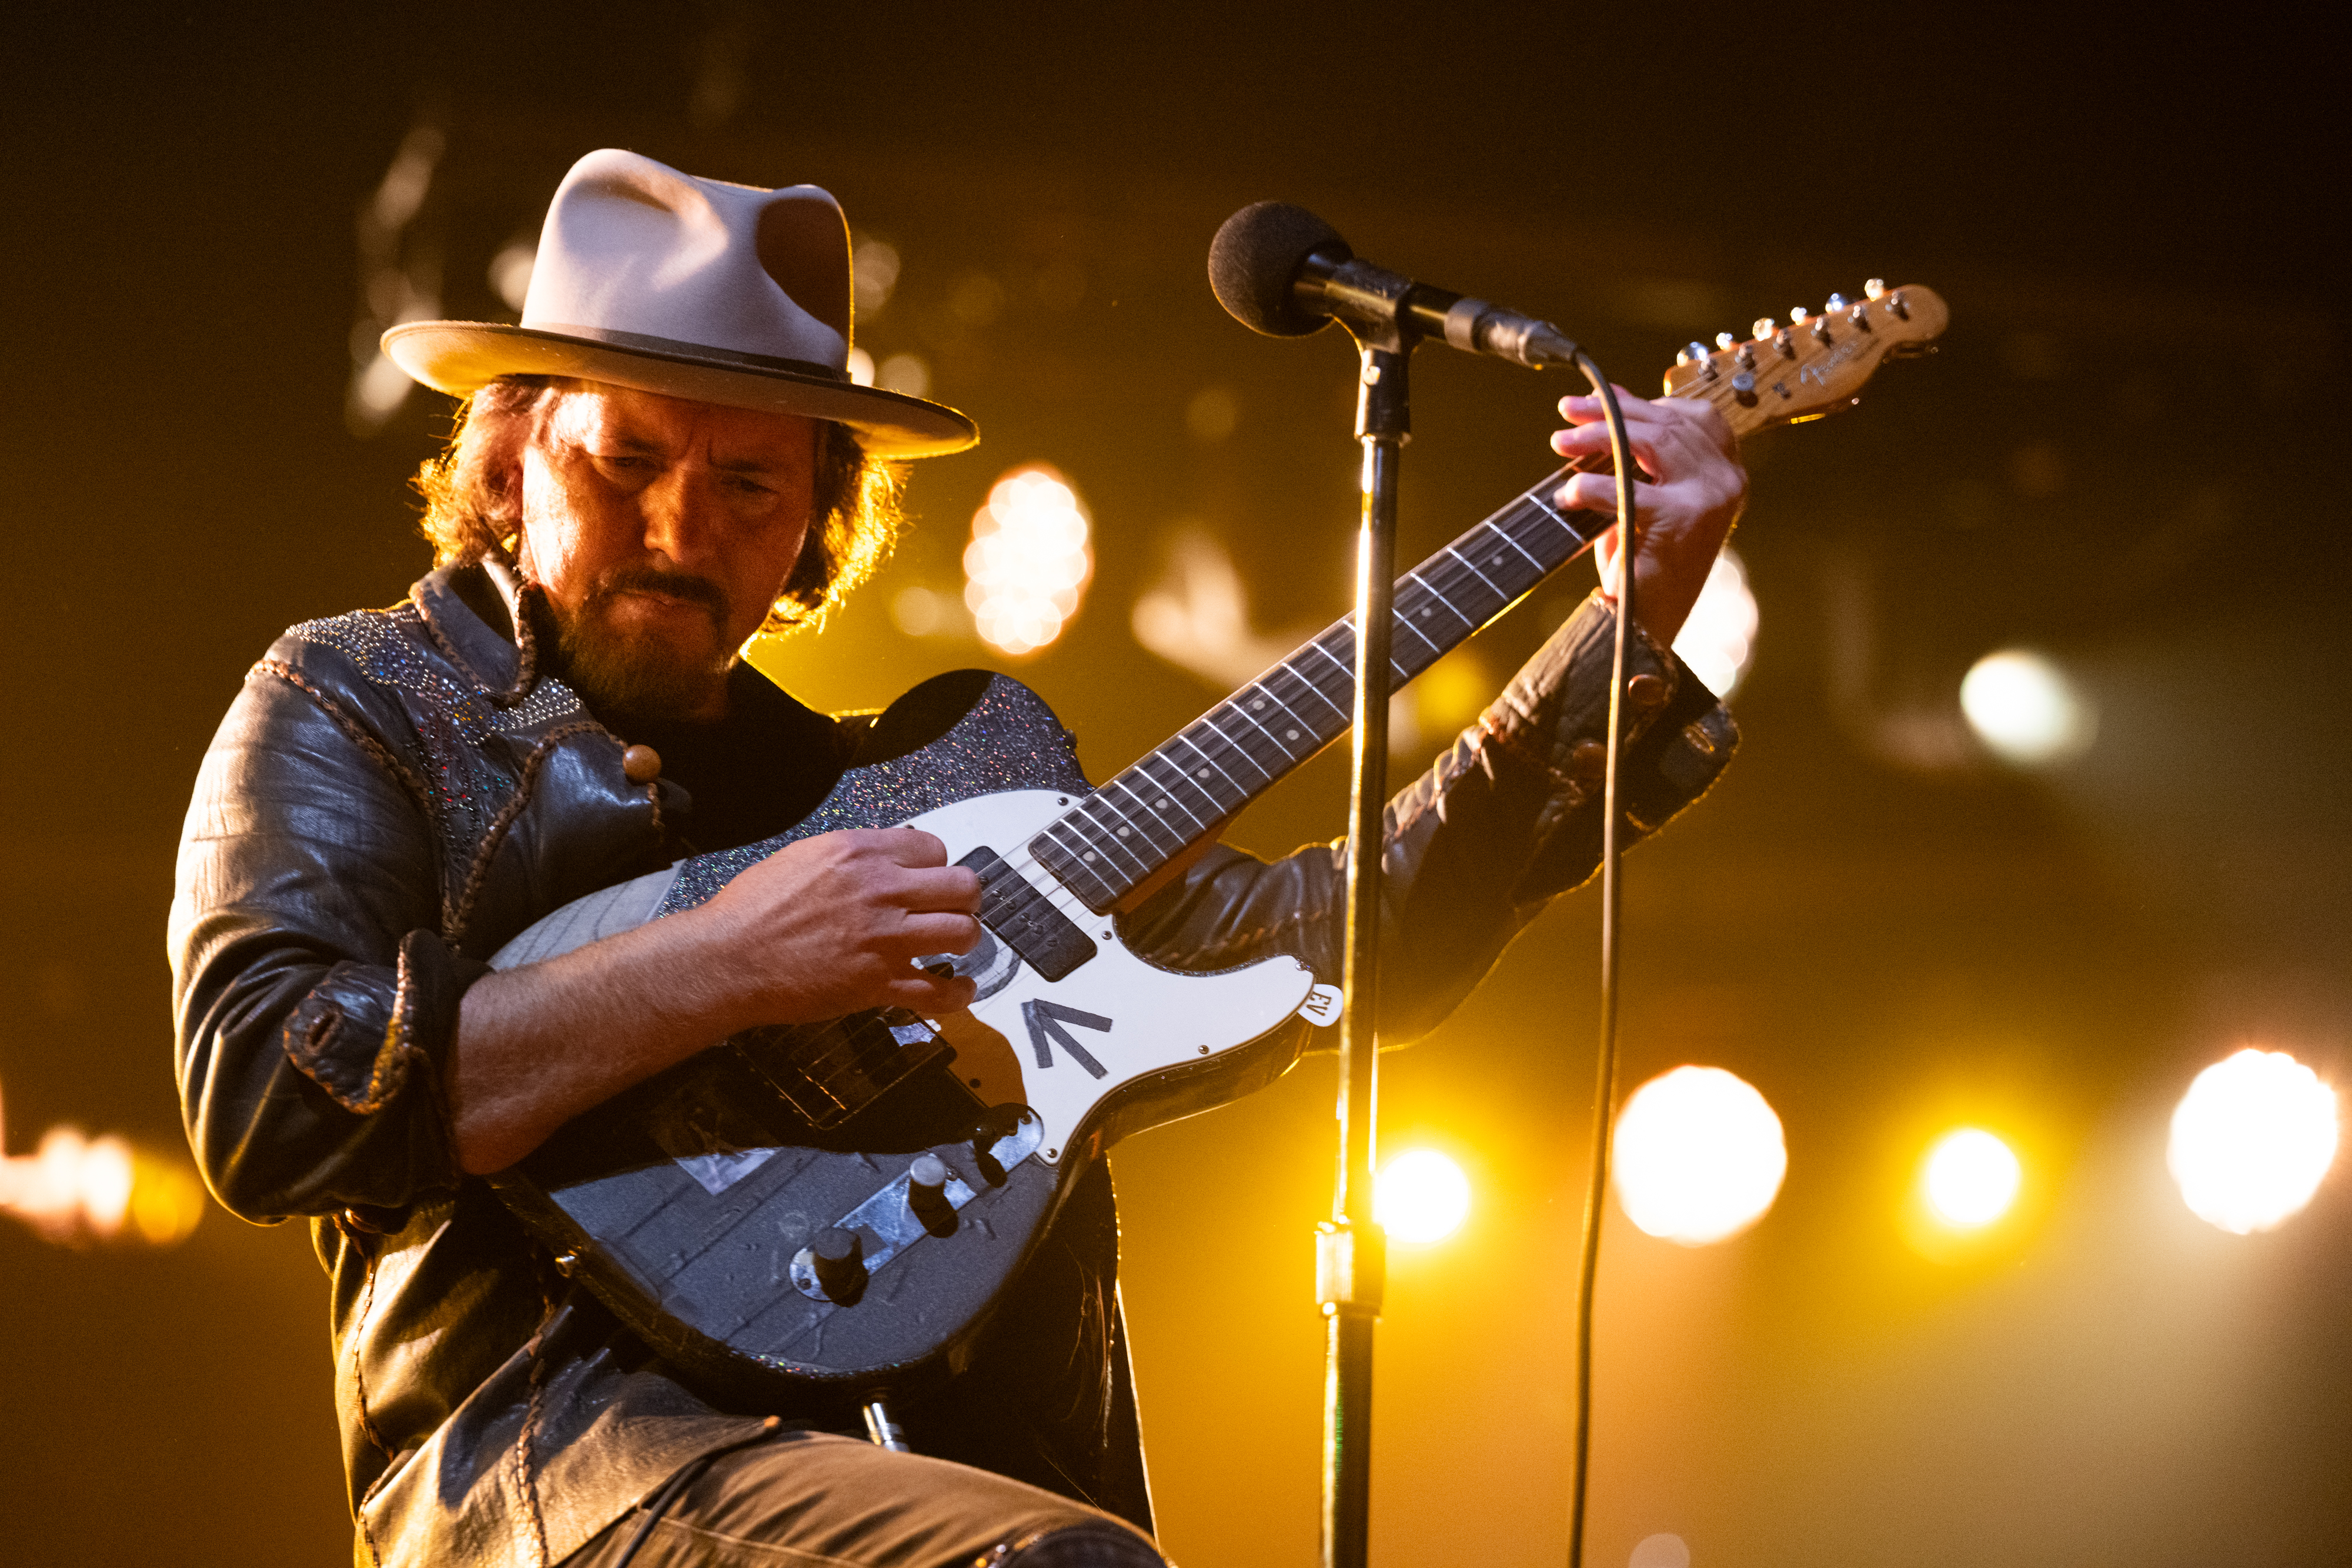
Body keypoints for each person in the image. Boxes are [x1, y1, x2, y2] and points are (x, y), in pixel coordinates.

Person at [171, 149, 1748, 1568]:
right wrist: (725, 960)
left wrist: (1627, 630)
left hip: (943, 1474)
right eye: (625, 460)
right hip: (562, 1483)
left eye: (747, 485)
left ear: (815, 527)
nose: (678, 524)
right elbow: (270, 1095)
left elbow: (1351, 935)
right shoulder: (366, 698)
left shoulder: (924, 791)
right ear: (509, 465)